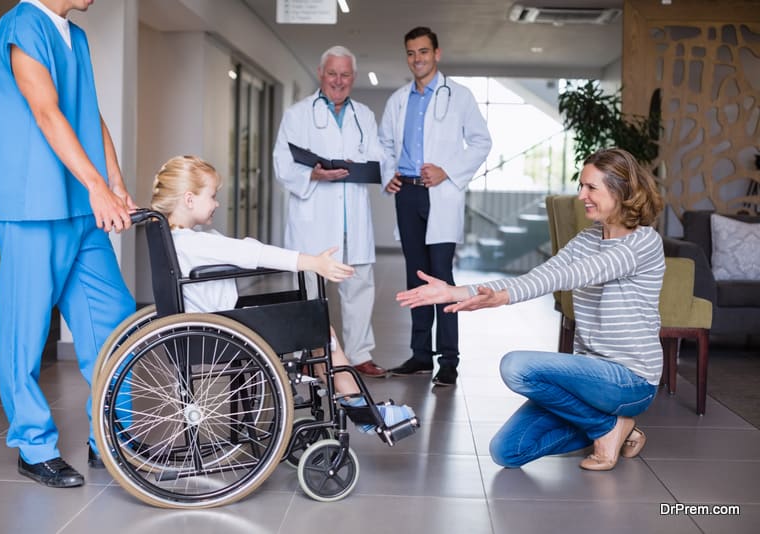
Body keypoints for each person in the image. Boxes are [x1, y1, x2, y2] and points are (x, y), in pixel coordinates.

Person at [396, 148, 664, 471]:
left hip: (630, 380)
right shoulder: (587, 239)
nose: (582, 196)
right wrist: (453, 291)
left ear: (620, 190)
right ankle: (617, 427)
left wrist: (503, 298)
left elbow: (576, 274)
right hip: (587, 376)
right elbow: (540, 275)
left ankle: (606, 428)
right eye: (582, 186)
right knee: (507, 451)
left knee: (516, 367)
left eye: (591, 187)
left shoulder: (644, 243)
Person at [0, 0, 136, 488]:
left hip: (81, 205)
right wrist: (96, 187)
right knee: (24, 330)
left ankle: (111, 435)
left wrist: (114, 184)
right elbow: (46, 112)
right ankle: (33, 446)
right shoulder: (22, 24)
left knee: (113, 322)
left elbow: (88, 116)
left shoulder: (77, 36)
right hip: (33, 203)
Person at [150, 155, 414, 431]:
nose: (217, 203)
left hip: (214, 325)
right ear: (189, 199)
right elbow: (252, 253)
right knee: (319, 326)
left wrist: (247, 249)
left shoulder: (183, 239)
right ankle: (361, 409)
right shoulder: (196, 242)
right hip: (224, 330)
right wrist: (313, 262)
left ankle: (339, 391)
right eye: (213, 196)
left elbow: (239, 248)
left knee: (314, 326)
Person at [379, 26, 492, 387]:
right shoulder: (399, 99)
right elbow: (383, 145)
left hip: (440, 193)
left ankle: (449, 361)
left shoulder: (458, 95)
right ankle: (420, 356)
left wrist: (449, 171)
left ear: (437, 54)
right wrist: (388, 175)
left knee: (441, 277)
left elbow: (481, 141)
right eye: (411, 53)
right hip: (408, 193)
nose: (417, 59)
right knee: (415, 276)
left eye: (424, 52)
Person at [273, 45, 388, 379]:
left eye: (345, 74)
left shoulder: (363, 114)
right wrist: (313, 173)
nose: (339, 80)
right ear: (322, 74)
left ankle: (359, 354)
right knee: (310, 288)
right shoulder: (297, 114)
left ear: (353, 77)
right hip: (314, 216)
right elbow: (283, 163)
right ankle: (310, 352)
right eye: (333, 73)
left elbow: (379, 155)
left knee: (359, 287)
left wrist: (363, 164)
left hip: (353, 219)